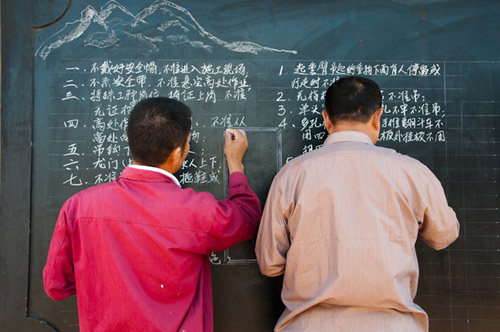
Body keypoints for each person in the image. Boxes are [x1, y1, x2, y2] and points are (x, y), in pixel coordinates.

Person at [255, 76, 459, 332]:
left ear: (326, 119)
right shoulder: (412, 172)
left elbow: (270, 263)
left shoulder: (292, 174)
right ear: (377, 117)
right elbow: (444, 236)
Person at [43, 97, 261, 332]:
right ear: (177, 153)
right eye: (188, 143)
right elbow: (247, 217)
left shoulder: (78, 207)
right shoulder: (197, 210)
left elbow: (56, 286)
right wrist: (235, 165)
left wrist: (106, 277)